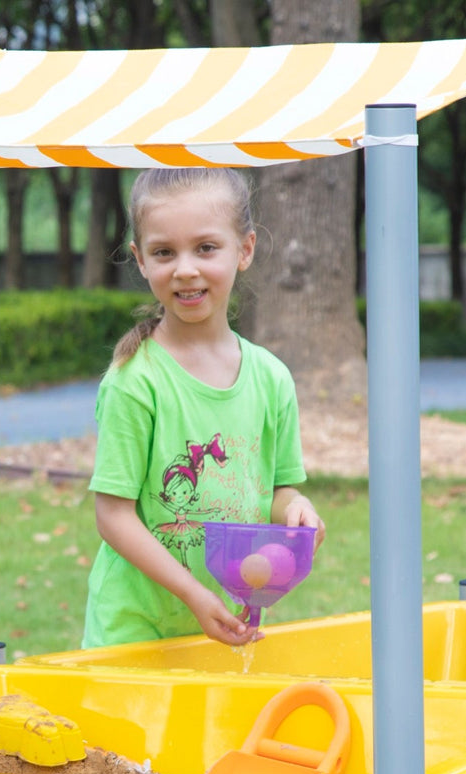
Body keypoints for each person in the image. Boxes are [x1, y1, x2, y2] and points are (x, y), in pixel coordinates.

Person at [83, 168, 324, 650]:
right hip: (133, 633)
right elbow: (113, 516)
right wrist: (193, 594)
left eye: (206, 248)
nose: (185, 269)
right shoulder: (135, 383)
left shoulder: (272, 378)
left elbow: (275, 489)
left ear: (246, 249)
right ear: (141, 260)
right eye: (164, 252)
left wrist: (296, 508)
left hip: (225, 627)